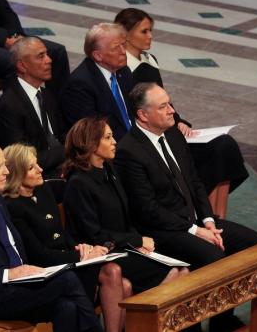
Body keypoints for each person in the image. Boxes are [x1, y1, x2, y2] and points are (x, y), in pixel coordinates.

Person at [114, 83, 257, 332]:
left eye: (170, 103)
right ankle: (191, 323)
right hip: (164, 230)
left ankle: (222, 321)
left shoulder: (172, 134)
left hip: (194, 223)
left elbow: (195, 182)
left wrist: (208, 221)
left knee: (252, 242)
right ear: (143, 115)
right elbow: (148, 209)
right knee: (214, 254)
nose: (172, 111)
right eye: (163, 107)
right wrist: (195, 231)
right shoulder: (129, 151)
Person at [0, 140, 101, 331]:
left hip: (18, 286)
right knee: (66, 279)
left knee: (67, 307)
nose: (7, 172)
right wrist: (10, 274)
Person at [114, 8, 249, 218]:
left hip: (170, 126)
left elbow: (163, 100)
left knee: (225, 146)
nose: (150, 36)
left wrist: (179, 120)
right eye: (144, 31)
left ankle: (218, 217)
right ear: (126, 33)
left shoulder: (150, 60)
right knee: (215, 154)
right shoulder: (122, 68)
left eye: (151, 31)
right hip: (153, 133)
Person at [3, 143, 131, 332]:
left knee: (124, 283)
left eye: (37, 164)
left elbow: (62, 235)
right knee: (113, 274)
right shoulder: (12, 207)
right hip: (49, 270)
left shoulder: (43, 191)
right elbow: (39, 255)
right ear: (16, 174)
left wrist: (83, 248)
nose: (40, 170)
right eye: (31, 167)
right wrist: (80, 257)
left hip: (69, 261)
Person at [62, 116, 187, 293]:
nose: (114, 142)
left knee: (183, 269)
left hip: (123, 247)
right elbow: (94, 234)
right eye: (107, 137)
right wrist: (137, 240)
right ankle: (145, 319)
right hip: (101, 254)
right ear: (89, 143)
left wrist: (138, 243)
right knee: (174, 273)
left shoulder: (109, 170)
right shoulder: (78, 183)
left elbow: (126, 218)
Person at [0, 37, 65, 179]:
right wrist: (68, 152)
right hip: (33, 176)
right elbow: (22, 159)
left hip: (59, 165)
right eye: (41, 56)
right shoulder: (9, 106)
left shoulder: (46, 95)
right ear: (22, 66)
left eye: (47, 54)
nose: (49, 60)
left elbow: (61, 134)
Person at [60, 22, 134, 142]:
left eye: (123, 45)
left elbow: (133, 110)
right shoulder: (79, 85)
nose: (123, 51)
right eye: (116, 48)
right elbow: (93, 134)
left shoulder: (123, 71)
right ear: (98, 56)